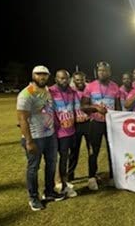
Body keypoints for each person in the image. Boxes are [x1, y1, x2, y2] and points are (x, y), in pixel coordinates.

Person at [17, 65, 64, 211]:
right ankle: (33, 198)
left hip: (49, 136)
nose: (41, 77)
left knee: (51, 164)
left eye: (44, 75)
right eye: (38, 74)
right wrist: (29, 141)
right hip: (35, 137)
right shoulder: (26, 94)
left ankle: (49, 192)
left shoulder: (47, 91)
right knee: (33, 168)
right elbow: (22, 119)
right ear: (33, 76)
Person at [81, 61, 121, 190]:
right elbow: (83, 106)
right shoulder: (90, 87)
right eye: (99, 71)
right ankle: (92, 177)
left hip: (111, 124)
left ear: (109, 72)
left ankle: (113, 177)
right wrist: (96, 108)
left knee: (112, 151)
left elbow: (118, 108)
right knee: (94, 151)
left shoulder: (115, 87)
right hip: (95, 123)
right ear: (96, 72)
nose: (102, 73)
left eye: (104, 70)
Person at [49, 70, 78, 198]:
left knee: (65, 158)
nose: (64, 81)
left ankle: (62, 181)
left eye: (66, 78)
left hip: (71, 130)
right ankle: (62, 184)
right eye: (61, 78)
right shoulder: (50, 91)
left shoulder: (72, 91)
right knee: (61, 158)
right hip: (59, 131)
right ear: (56, 79)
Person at [67, 71, 90, 182]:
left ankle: (92, 175)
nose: (80, 82)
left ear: (85, 78)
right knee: (74, 152)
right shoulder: (70, 91)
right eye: (77, 80)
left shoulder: (89, 89)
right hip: (76, 125)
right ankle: (70, 176)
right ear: (73, 80)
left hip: (88, 124)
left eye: (81, 79)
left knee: (92, 151)